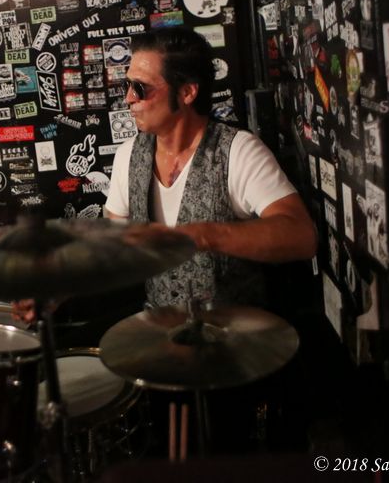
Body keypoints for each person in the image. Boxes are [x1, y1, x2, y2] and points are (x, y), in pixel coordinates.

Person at [105, 28, 317, 309]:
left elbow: (302, 237)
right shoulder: (128, 156)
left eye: (140, 88)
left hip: (234, 330)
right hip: (159, 328)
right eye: (128, 85)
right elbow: (113, 245)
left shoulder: (238, 151)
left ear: (187, 92)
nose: (129, 98)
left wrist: (206, 235)